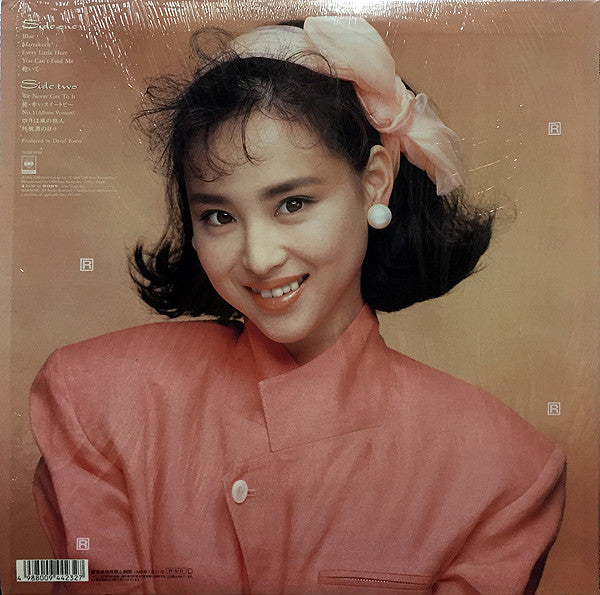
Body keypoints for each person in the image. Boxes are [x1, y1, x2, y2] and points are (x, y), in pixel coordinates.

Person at [30, 17, 565, 595]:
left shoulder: (503, 471)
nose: (259, 258)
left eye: (292, 203)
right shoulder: (98, 400)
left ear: (375, 182)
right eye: (218, 216)